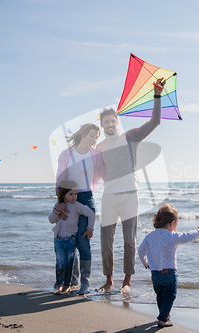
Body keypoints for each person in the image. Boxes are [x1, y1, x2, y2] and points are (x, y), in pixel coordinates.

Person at [96, 78, 166, 293]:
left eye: (112, 121)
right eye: (105, 122)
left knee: (129, 241)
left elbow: (154, 122)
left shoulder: (130, 137)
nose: (109, 125)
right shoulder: (98, 147)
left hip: (130, 196)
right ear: (102, 125)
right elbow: (95, 173)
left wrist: (157, 95)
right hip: (109, 196)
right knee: (106, 242)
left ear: (117, 122)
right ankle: (109, 281)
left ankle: (127, 281)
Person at [55, 123, 105, 294]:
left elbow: (104, 173)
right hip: (69, 198)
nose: (94, 140)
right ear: (83, 134)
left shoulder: (96, 155)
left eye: (96, 137)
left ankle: (85, 282)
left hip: (87, 198)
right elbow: (60, 178)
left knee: (83, 241)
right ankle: (70, 280)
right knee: (70, 240)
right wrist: (60, 201)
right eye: (92, 135)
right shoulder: (67, 154)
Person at [138, 203, 199, 328]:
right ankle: (163, 319)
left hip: (155, 275)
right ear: (171, 223)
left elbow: (140, 251)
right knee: (169, 296)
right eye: (176, 225)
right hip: (169, 274)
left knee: (160, 296)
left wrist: (145, 262)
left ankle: (163, 314)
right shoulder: (172, 236)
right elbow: (189, 236)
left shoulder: (149, 236)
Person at [48, 180, 96, 295]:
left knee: (69, 263)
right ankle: (58, 285)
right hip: (58, 240)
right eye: (71, 194)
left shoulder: (77, 206)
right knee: (60, 262)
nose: (74, 197)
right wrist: (56, 210)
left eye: (75, 194)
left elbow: (91, 214)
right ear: (63, 194)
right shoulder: (58, 206)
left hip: (71, 240)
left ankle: (66, 286)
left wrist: (90, 229)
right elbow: (51, 220)